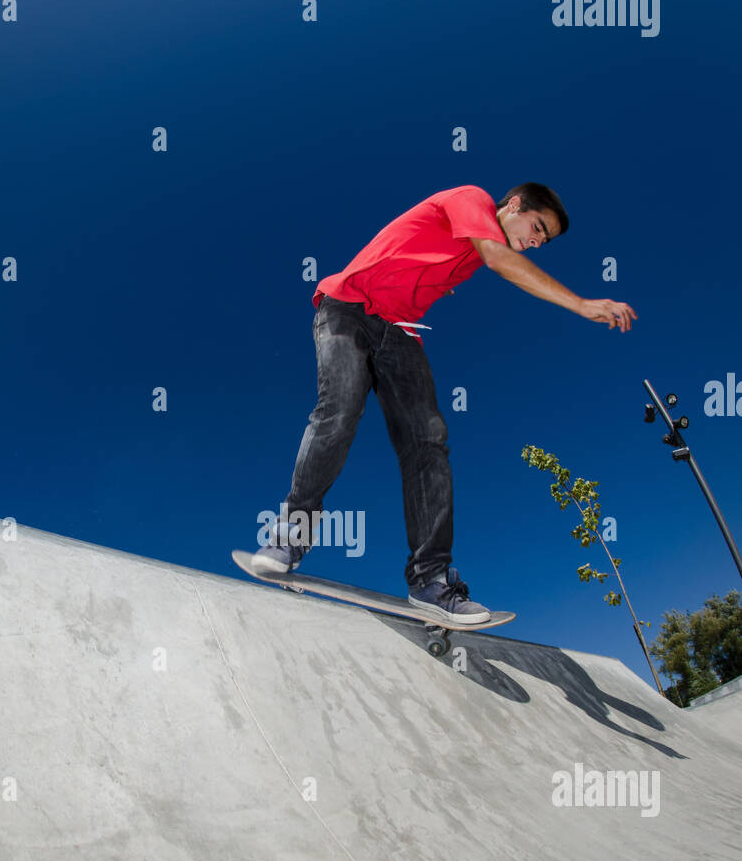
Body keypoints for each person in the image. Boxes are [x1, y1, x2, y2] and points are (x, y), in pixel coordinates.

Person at [252, 182, 637, 623]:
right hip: (348, 309)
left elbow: (441, 255)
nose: (535, 242)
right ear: (513, 205)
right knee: (338, 413)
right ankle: (288, 536)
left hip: (398, 331)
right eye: (536, 228)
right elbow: (497, 257)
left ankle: (431, 581)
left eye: (542, 241)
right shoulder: (472, 200)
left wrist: (433, 278)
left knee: (428, 441)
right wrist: (581, 303)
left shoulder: (469, 251)